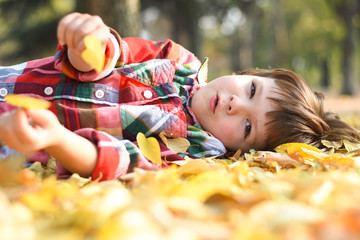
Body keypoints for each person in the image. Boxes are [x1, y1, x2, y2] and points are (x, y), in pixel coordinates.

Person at [0, 13, 359, 181]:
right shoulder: (178, 60)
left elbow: (118, 159)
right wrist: (86, 43)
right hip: (11, 82)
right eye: (251, 90)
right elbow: (111, 57)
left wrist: (56, 138)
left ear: (241, 150)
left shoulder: (196, 148)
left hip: (15, 138)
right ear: (244, 73)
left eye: (247, 126)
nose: (236, 105)